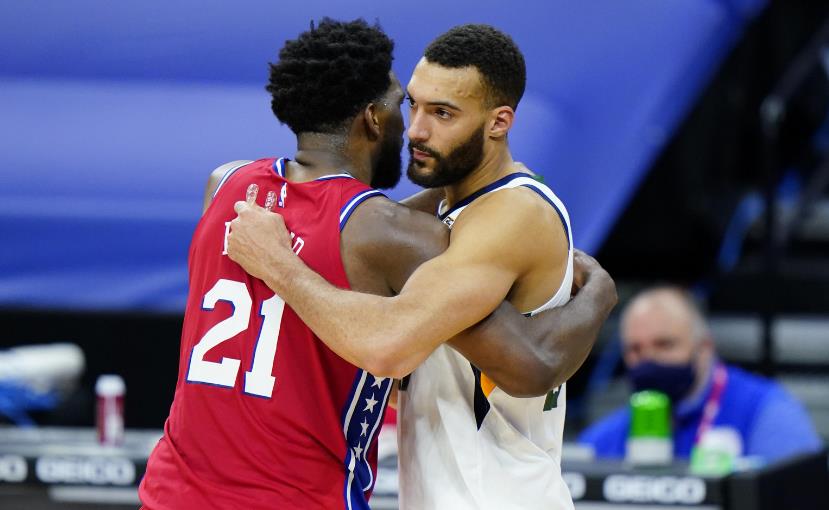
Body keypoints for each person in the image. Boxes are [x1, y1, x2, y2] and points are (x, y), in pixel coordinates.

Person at [140, 19, 616, 510]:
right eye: (409, 105)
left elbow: (529, 366)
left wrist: (601, 290)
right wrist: (599, 291)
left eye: (442, 113)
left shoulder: (229, 186)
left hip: (175, 491)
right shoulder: (388, 234)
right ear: (372, 118)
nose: (415, 130)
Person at [578, 286, 823, 463]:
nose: (648, 359)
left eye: (664, 344)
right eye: (635, 349)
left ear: (704, 347)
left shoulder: (765, 410)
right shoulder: (610, 434)